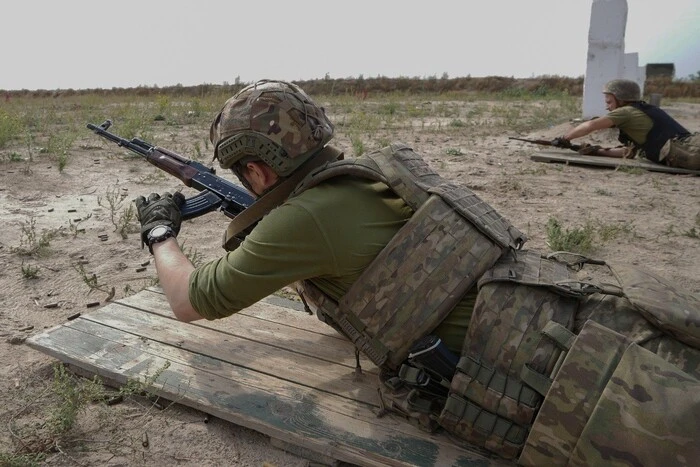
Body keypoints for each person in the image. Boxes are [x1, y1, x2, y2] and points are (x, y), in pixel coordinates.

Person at [134, 79, 700, 464]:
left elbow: (190, 299)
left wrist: (161, 232)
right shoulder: (379, 170)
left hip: (561, 379)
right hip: (569, 306)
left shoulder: (300, 222)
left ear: (256, 168)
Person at [553, 78, 700, 170]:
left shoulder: (625, 112)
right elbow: (628, 152)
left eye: (609, 102)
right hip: (690, 148)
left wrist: (565, 139)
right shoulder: (644, 111)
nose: (607, 107)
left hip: (691, 150)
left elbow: (590, 125)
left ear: (621, 100)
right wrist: (594, 150)